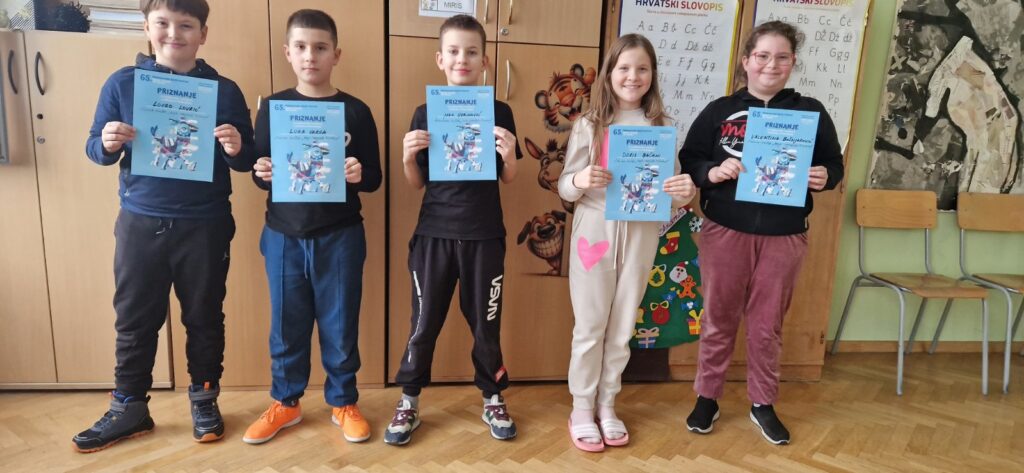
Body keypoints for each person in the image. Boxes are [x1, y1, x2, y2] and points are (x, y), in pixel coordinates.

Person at [76, 0, 256, 452]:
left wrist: (237, 148)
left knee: (205, 316)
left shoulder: (225, 91)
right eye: (163, 23)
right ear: (146, 27)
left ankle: (204, 398)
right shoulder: (123, 83)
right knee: (134, 318)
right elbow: (95, 148)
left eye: (186, 25)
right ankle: (129, 406)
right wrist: (107, 142)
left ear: (203, 34)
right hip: (140, 221)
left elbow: (248, 161)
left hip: (206, 224)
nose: (174, 33)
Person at [680, 20, 844, 445]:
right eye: (763, 56)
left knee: (767, 325)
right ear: (746, 61)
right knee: (717, 319)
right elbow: (690, 159)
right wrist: (712, 171)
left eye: (782, 57)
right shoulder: (720, 110)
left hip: (784, 235)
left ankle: (762, 402)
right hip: (724, 231)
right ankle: (707, 397)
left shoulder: (811, 112)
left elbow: (834, 164)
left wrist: (825, 176)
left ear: (793, 62)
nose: (771, 65)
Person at [242, 8, 382, 445]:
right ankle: (286, 402)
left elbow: (375, 178)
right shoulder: (272, 108)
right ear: (287, 52)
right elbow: (260, 171)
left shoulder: (356, 111)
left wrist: (359, 173)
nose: (310, 56)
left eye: (320, 48)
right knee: (286, 325)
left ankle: (343, 402)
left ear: (336, 54)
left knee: (340, 325)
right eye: (301, 47)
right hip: (283, 234)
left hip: (340, 235)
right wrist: (261, 170)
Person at [386, 14, 522, 446]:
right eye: (454, 51)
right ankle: (409, 399)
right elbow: (416, 182)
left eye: (472, 52)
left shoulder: (500, 111)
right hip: (435, 234)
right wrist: (407, 156)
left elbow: (508, 177)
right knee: (423, 322)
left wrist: (510, 155)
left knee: (486, 324)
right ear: (440, 59)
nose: (463, 58)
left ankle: (492, 395)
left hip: (485, 236)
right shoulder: (425, 112)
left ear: (485, 61)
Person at [559, 33, 695, 453]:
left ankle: (607, 404)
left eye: (642, 69)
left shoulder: (663, 127)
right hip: (594, 233)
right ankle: (581, 408)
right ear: (609, 73)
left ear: (652, 75)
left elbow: (673, 192)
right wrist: (580, 179)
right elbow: (565, 187)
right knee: (590, 326)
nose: (632, 76)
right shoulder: (589, 124)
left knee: (622, 328)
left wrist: (685, 191)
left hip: (640, 235)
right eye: (624, 68)